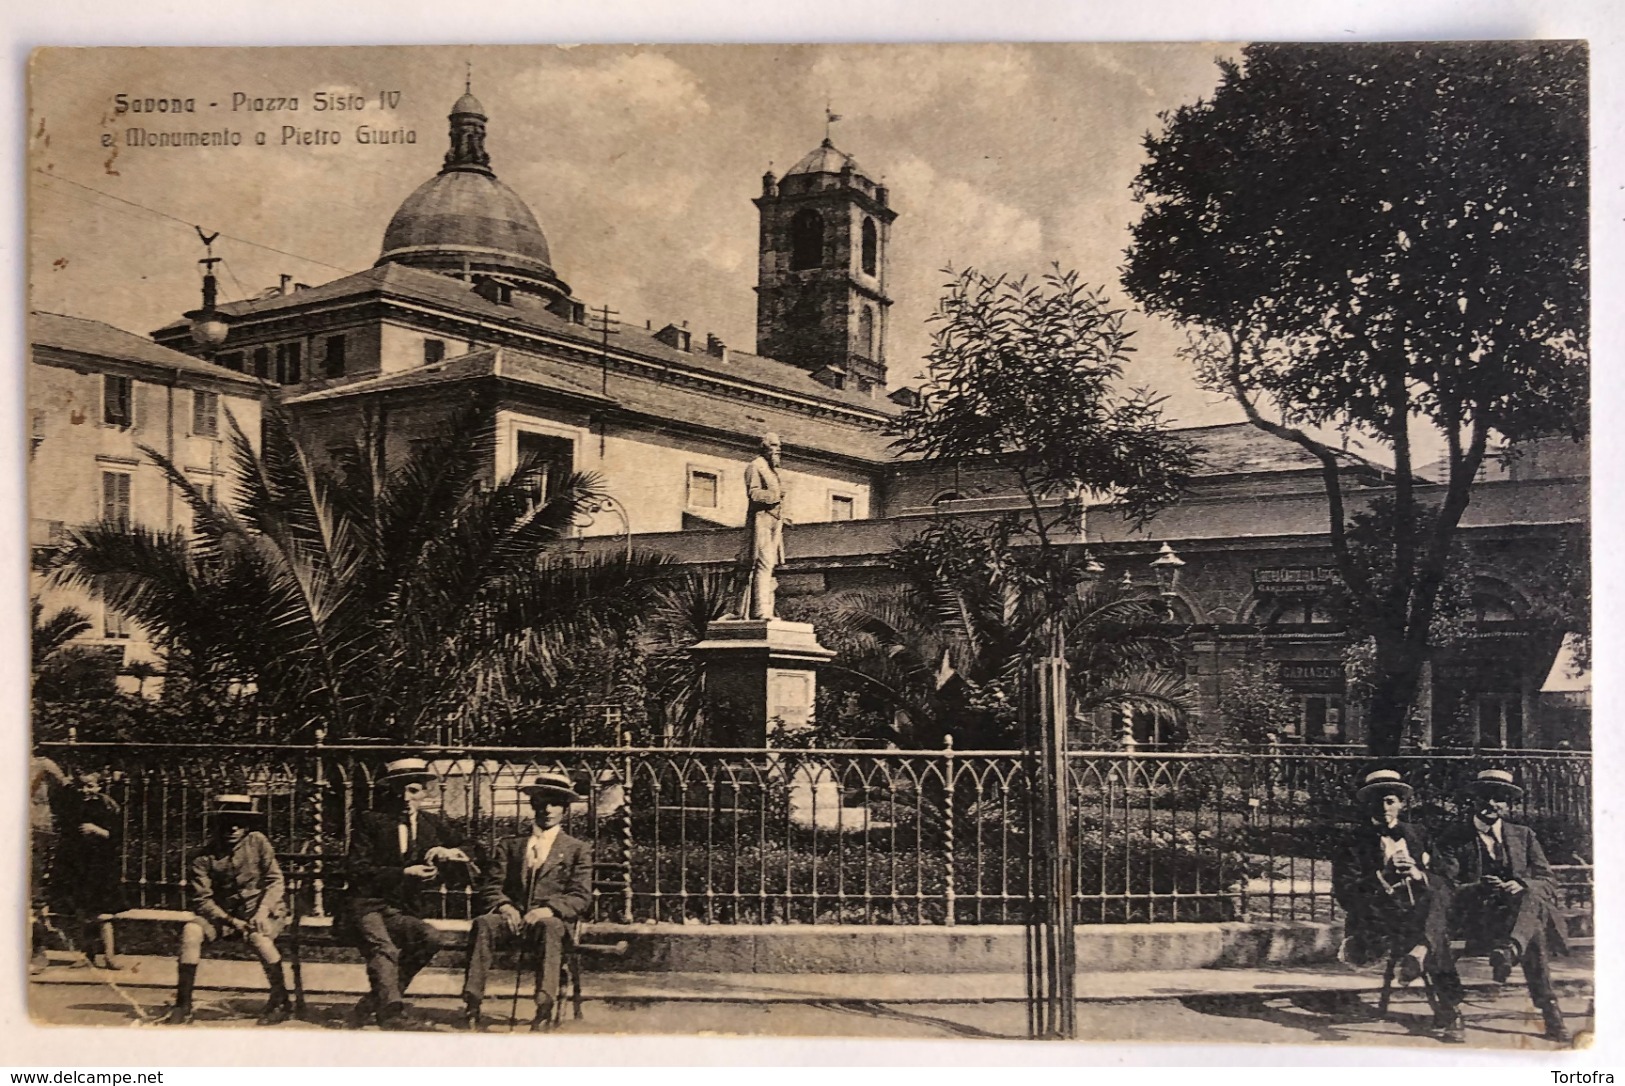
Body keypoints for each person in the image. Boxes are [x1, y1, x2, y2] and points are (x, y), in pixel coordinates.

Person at [1439, 768, 1572, 1043]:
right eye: (1485, 797)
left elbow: (1548, 880)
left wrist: (1522, 884)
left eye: (1499, 799)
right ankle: (1548, 1009)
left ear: (1508, 804)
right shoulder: (1453, 837)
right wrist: (1477, 887)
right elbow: (1444, 887)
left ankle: (1512, 952)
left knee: (1530, 896)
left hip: (1512, 922)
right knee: (1532, 928)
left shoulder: (1523, 836)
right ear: (1473, 800)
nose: (1491, 804)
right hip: (1473, 922)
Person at [1332, 768, 1465, 1041]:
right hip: (1377, 921)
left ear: (1402, 804)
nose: (1384, 807)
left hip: (1417, 916)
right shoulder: (1352, 842)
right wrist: (1385, 876)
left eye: (1390, 801)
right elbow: (1347, 894)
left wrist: (1418, 874)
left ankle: (1422, 954)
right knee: (1435, 933)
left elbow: (1446, 877)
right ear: (1367, 804)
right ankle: (1451, 1011)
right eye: (1377, 801)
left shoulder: (1418, 833)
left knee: (1434, 903)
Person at [460, 770, 593, 1032]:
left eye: (555, 803)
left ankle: (544, 1006)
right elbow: (491, 886)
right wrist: (505, 906)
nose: (548, 809)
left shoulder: (577, 849)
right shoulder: (510, 845)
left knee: (550, 927)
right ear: (533, 804)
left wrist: (548, 909)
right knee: (484, 923)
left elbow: (580, 896)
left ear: (565, 809)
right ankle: (472, 1002)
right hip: (512, 920)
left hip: (549, 924)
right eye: (542, 801)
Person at [345, 756, 471, 1031]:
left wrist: (447, 852)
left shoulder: (431, 824)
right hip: (364, 906)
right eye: (399, 790)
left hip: (400, 910)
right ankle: (392, 1012)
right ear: (390, 791)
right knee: (385, 948)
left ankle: (373, 1003)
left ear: (425, 792)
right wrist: (403, 873)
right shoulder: (370, 821)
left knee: (430, 938)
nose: (406, 797)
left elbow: (473, 849)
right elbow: (357, 869)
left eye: (413, 790)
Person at [159, 795, 291, 1026]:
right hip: (224, 915)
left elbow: (275, 881)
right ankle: (183, 1003)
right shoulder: (202, 857)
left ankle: (281, 1000)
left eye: (239, 822)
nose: (233, 827)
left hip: (262, 910)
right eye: (226, 821)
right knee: (191, 931)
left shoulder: (258, 842)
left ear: (248, 825)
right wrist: (231, 920)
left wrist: (261, 912)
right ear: (215, 825)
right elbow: (202, 900)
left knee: (260, 938)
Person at [47, 769, 127, 969]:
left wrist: (97, 830)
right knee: (83, 912)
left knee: (103, 913)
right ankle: (87, 954)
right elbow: (67, 834)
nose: (85, 790)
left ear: (99, 786)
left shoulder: (107, 806)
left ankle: (109, 955)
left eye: (90, 786)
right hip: (80, 865)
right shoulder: (74, 807)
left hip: (101, 865)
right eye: (81, 786)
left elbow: (116, 836)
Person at [737, 431, 786, 620]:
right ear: (764, 447)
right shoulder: (755, 466)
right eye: (774, 445)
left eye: (779, 445)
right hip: (761, 520)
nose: (778, 449)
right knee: (763, 564)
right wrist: (776, 496)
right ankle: (760, 610)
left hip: (774, 520)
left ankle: (765, 607)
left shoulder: (773, 470)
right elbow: (754, 494)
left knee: (770, 565)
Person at [29, 755, 71, 973]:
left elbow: (68, 791)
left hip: (35, 832)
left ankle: (38, 951)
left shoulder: (42, 765)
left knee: (33, 895)